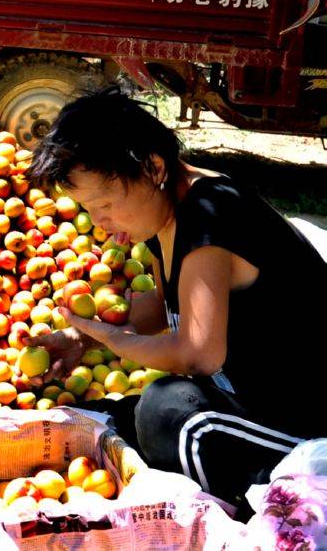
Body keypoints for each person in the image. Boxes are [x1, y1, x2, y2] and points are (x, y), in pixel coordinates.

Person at [29, 87, 325, 508]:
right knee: (101, 419)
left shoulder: (208, 217)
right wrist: (86, 339)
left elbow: (198, 355)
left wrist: (118, 343)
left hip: (304, 420)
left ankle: (257, 505)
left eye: (106, 203)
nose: (99, 222)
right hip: (249, 402)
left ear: (152, 167)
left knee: (166, 412)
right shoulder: (164, 218)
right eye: (89, 210)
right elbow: (172, 304)